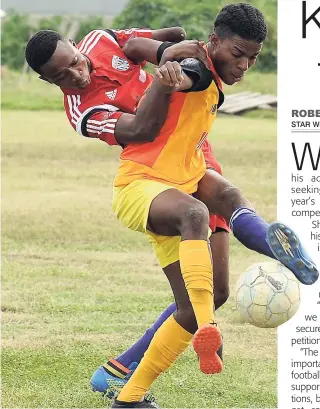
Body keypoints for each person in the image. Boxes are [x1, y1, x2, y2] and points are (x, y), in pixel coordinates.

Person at [25, 5, 318, 407]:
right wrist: (168, 78)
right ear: (46, 80)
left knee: (216, 283)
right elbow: (141, 128)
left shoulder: (100, 41)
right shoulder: (82, 111)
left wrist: (166, 54)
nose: (76, 74)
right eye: (61, 76)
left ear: (78, 47)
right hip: (154, 167)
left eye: (74, 62)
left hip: (191, 155)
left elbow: (160, 39)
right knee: (200, 247)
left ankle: (122, 376)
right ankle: (205, 330)